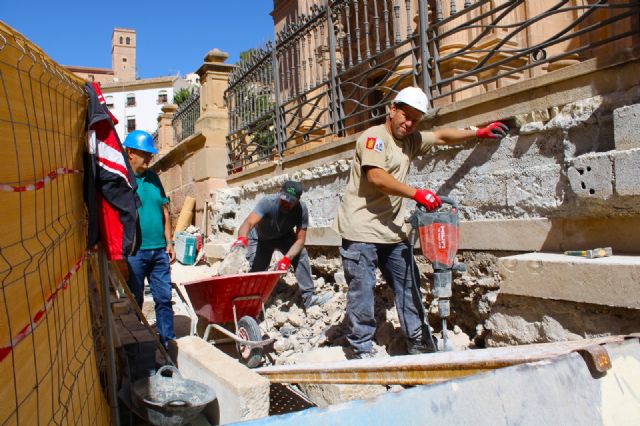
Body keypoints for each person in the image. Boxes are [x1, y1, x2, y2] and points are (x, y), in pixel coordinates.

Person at [333, 86, 508, 359]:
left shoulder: (410, 139)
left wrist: (478, 132)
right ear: (392, 109)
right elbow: (376, 177)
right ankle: (361, 348)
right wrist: (417, 194)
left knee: (408, 284)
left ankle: (417, 339)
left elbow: (440, 136)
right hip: (361, 231)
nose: (409, 123)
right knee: (362, 289)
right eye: (405, 115)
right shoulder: (374, 138)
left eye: (416, 119)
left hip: (392, 231)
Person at [232, 181, 331, 310]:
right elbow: (248, 223)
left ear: (298, 200)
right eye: (285, 199)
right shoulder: (267, 202)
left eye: (291, 202)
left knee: (301, 255)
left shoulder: (301, 210)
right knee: (257, 271)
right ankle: (251, 304)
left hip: (284, 237)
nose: (287, 204)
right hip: (261, 239)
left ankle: (309, 298)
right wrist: (242, 239)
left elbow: (300, 240)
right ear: (279, 192)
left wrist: (287, 258)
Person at [123, 130, 176, 348]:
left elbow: (165, 211)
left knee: (164, 298)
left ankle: (167, 342)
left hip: (159, 252)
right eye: (145, 154)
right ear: (131, 153)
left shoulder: (154, 178)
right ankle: (139, 344)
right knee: (135, 301)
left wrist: (169, 243)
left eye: (150, 154)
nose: (149, 158)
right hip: (135, 253)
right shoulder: (122, 180)